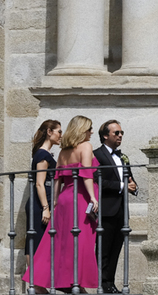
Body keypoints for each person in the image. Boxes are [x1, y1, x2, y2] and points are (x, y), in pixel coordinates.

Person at [23, 115, 100, 291]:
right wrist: (93, 197)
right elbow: (87, 174)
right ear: (82, 129)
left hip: (64, 199)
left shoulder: (64, 152)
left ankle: (50, 282)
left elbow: (57, 178)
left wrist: (56, 201)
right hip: (79, 198)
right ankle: (75, 283)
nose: (92, 132)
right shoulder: (86, 147)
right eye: (89, 129)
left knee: (58, 243)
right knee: (80, 242)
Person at [94, 120, 139, 293]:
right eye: (116, 133)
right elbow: (98, 181)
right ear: (105, 135)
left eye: (121, 133)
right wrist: (122, 186)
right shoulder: (96, 155)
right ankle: (102, 284)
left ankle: (110, 283)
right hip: (106, 210)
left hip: (121, 210)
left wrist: (133, 187)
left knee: (115, 250)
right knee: (103, 250)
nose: (120, 136)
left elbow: (129, 180)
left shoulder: (122, 157)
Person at [25, 119, 60, 258]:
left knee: (40, 241)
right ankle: (32, 278)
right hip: (39, 205)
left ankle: (36, 277)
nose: (61, 135)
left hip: (43, 203)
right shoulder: (42, 155)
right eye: (59, 132)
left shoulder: (45, 154)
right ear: (49, 132)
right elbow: (39, 183)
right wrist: (45, 208)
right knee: (35, 241)